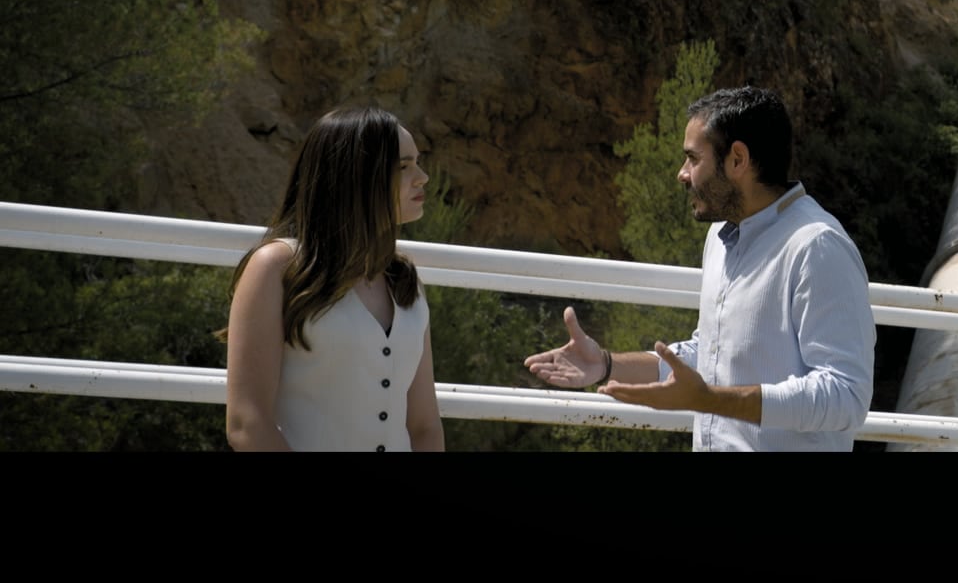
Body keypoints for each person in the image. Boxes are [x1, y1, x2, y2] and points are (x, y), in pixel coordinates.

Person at [525, 86, 875, 451]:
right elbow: (711, 355)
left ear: (737, 159)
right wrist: (606, 364)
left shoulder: (816, 246)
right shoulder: (721, 238)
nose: (682, 173)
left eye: (693, 159)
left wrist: (708, 399)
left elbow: (846, 396)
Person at [224, 105, 444, 451]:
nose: (422, 177)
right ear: (355, 175)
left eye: (418, 162)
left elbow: (424, 426)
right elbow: (247, 423)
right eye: (404, 166)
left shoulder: (405, 282)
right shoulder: (276, 267)